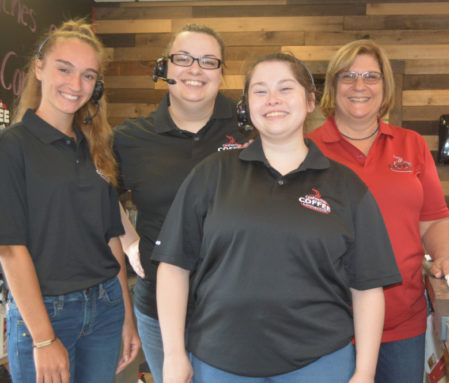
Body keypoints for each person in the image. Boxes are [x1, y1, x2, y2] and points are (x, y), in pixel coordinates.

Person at [152, 52, 402, 383]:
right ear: (246, 104)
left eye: (285, 88)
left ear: (310, 101)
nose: (272, 100)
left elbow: (368, 287)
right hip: (219, 361)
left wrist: (365, 371)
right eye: (259, 90)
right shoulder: (211, 174)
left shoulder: (347, 187)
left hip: (320, 363)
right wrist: (173, 355)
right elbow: (172, 266)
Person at [308, 39, 449, 383]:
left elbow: (435, 216)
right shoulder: (306, 150)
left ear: (385, 86)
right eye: (348, 76)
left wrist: (443, 256)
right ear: (333, 86)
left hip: (402, 323)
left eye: (371, 76)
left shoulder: (411, 144)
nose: (360, 86)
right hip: (325, 326)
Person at [0, 19, 140, 383]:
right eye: (65, 69)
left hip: (107, 309)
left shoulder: (95, 147)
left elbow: (112, 240)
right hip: (46, 312)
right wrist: (44, 339)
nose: (76, 85)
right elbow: (10, 249)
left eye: (88, 76)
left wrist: (126, 317)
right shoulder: (11, 147)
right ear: (39, 68)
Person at [113, 24, 249, 383]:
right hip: (158, 311)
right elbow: (98, 194)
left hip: (239, 311)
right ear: (165, 68)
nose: (195, 69)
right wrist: (129, 243)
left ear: (222, 73)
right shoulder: (130, 138)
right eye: (183, 58)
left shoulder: (252, 129)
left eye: (208, 61)